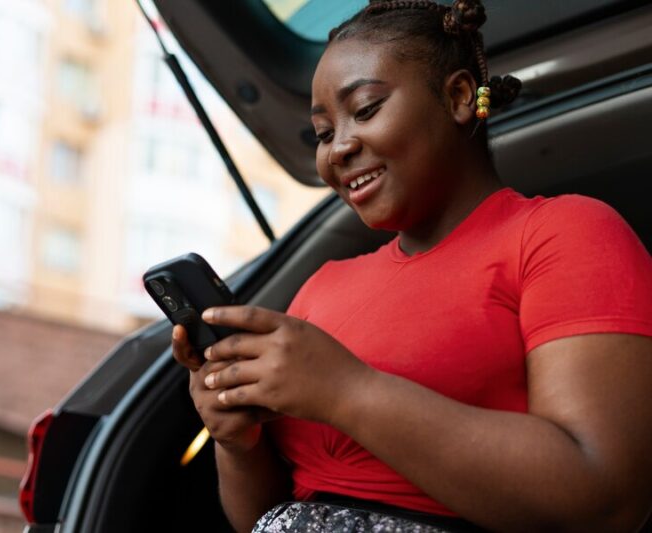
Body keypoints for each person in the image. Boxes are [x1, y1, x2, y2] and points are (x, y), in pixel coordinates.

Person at [172, 1, 652, 531]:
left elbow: (605, 497)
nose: (339, 149)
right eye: (323, 132)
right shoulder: (321, 286)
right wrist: (237, 445)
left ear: (459, 97)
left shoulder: (563, 233)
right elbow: (262, 517)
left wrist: (346, 391)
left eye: (367, 108)